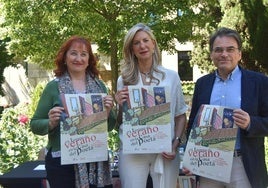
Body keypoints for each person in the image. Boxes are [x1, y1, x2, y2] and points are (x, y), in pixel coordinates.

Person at [185, 27, 268, 188]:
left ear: (239, 54)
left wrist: (251, 122)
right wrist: (191, 158)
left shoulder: (259, 82)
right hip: (208, 163)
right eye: (218, 50)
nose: (224, 54)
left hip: (243, 164)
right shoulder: (202, 83)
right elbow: (193, 124)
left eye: (230, 49)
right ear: (211, 55)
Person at [30, 36, 115, 188]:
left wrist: (108, 110)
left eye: (84, 54)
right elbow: (35, 124)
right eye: (73, 53)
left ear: (89, 60)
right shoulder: (53, 87)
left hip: (94, 160)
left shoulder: (100, 86)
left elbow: (108, 127)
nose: (78, 58)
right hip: (62, 163)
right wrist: (50, 122)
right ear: (64, 57)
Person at [115, 23, 188, 188]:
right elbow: (120, 122)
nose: (142, 46)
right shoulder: (124, 79)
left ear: (153, 44)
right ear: (131, 49)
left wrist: (175, 144)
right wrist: (119, 105)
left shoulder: (171, 77)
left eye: (145, 40)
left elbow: (180, 115)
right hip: (133, 152)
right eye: (136, 43)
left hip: (165, 151)